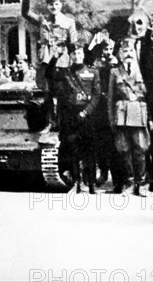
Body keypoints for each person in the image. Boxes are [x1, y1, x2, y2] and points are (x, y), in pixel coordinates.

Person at [22, 0, 78, 130]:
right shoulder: (42, 20)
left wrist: (75, 63)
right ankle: (49, 122)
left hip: (61, 62)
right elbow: (26, 13)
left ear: (61, 5)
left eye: (56, 4)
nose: (54, 6)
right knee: (47, 93)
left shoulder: (69, 22)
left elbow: (73, 44)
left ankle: (60, 123)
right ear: (47, 6)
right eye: (51, 4)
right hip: (46, 61)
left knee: (62, 94)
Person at [49, 42, 101, 194]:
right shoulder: (64, 72)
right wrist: (55, 57)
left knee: (90, 150)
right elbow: (49, 75)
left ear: (83, 55)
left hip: (87, 114)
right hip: (70, 115)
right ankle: (77, 183)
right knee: (73, 149)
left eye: (79, 53)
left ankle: (91, 184)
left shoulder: (93, 71)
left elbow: (97, 94)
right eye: (74, 54)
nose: (77, 56)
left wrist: (86, 112)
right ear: (70, 56)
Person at [108, 38, 150, 196]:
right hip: (122, 114)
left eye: (131, 51)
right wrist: (111, 119)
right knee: (124, 150)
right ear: (120, 54)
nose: (128, 54)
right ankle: (130, 182)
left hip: (139, 113)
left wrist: (151, 119)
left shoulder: (143, 71)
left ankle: (141, 183)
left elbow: (149, 96)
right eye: (125, 51)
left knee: (140, 149)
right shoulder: (115, 72)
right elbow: (110, 98)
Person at [92, 38, 120, 188]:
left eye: (110, 49)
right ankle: (103, 172)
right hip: (100, 108)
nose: (107, 52)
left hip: (114, 106)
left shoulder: (117, 64)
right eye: (105, 49)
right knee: (101, 144)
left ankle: (117, 178)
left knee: (115, 145)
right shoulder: (98, 65)